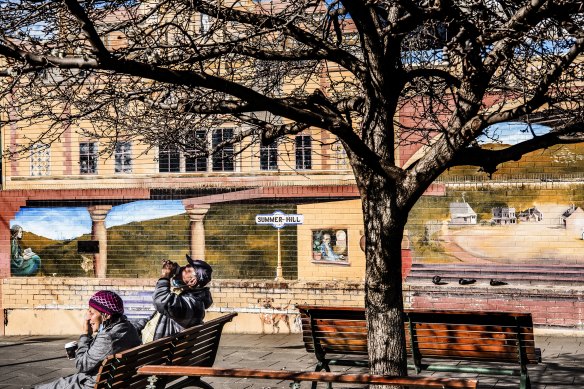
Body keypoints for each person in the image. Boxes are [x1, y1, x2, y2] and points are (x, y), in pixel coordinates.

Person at [35, 290, 141, 389]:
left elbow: (82, 365)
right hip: (116, 380)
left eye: (91, 312)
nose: (87, 317)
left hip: (94, 384)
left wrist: (85, 335)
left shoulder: (108, 337)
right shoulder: (127, 327)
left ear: (106, 315)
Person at [133, 254, 213, 343]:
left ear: (192, 281)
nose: (182, 268)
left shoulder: (192, 304)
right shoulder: (186, 297)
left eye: (186, 270)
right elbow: (155, 318)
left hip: (154, 351)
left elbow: (161, 300)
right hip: (146, 344)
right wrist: (134, 328)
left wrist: (165, 276)